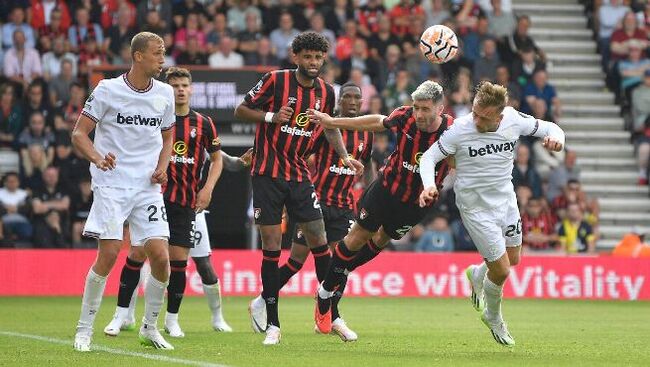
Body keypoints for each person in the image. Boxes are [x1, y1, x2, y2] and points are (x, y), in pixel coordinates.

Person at [234, 32, 362, 345]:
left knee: (319, 239)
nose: (313, 63)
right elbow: (241, 109)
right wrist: (271, 116)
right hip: (267, 173)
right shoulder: (275, 81)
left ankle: (330, 313)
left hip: (299, 174)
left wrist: (344, 156)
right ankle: (273, 325)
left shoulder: (326, 91)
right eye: (307, 57)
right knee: (272, 246)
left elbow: (328, 127)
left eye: (318, 57)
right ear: (295, 57)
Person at [419, 81, 565, 346]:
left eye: (483, 117)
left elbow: (551, 127)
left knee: (514, 258)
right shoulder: (460, 129)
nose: (475, 119)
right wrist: (429, 185)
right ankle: (493, 316)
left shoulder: (513, 119)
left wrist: (558, 140)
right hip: (475, 207)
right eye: (474, 112)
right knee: (502, 270)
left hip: (506, 200)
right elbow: (428, 158)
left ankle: (477, 274)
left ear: (499, 115)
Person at [308, 80, 453, 338]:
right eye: (416, 107)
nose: (418, 113)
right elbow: (375, 121)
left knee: (381, 239)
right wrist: (333, 122)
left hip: (417, 202)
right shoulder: (405, 117)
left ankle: (336, 275)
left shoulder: (454, 130)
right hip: (385, 190)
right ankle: (325, 294)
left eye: (425, 109)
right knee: (357, 238)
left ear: (439, 109)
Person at [103, 67, 239, 338]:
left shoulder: (203, 123)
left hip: (186, 202)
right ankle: (120, 316)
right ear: (167, 88)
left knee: (178, 262)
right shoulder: (152, 117)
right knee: (137, 254)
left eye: (184, 85)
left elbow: (216, 158)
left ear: (191, 89)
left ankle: (172, 320)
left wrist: (208, 189)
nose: (179, 89)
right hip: (152, 197)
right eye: (174, 84)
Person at [71, 32, 176, 352]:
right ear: (138, 56)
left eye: (164, 52)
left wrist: (164, 166)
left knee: (161, 257)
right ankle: (84, 329)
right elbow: (79, 134)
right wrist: (98, 158)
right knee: (111, 252)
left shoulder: (166, 93)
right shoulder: (107, 90)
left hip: (147, 186)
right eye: (158, 53)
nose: (163, 58)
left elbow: (168, 137)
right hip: (113, 183)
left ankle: (149, 327)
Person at [248, 82, 374, 342]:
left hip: (342, 206)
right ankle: (262, 300)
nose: (352, 101)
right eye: (347, 97)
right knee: (295, 262)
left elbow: (367, 166)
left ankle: (328, 317)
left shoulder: (366, 133)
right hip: (317, 201)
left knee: (342, 264)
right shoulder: (327, 126)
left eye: (356, 98)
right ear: (339, 102)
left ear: (362, 102)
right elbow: (300, 154)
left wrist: (367, 196)